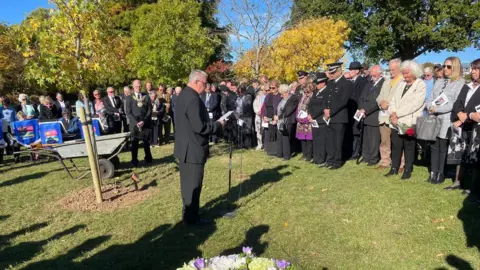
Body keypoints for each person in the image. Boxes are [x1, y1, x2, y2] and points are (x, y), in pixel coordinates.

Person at [174, 70, 224, 225]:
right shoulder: (193, 99)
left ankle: (189, 214)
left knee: (188, 184)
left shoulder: (183, 94)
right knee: (193, 185)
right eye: (204, 83)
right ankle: (191, 219)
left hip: (185, 147)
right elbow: (199, 127)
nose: (206, 86)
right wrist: (218, 125)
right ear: (196, 82)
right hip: (193, 149)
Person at [385, 60, 426, 179]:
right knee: (396, 145)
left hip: (409, 121)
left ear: (414, 72)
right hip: (395, 121)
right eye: (403, 73)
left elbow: (415, 104)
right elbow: (393, 100)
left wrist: (396, 113)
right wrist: (392, 113)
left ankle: (407, 169)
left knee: (409, 146)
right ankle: (394, 168)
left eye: (407, 73)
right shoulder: (401, 83)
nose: (405, 75)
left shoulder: (420, 84)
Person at [427, 57, 465, 184]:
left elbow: (454, 103)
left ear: (455, 68)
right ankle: (433, 171)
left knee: (442, 146)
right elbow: (430, 97)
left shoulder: (460, 83)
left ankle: (440, 173)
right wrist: (430, 107)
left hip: (446, 118)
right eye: (444, 66)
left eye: (449, 66)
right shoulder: (439, 81)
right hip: (433, 117)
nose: (445, 69)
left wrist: (437, 109)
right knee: (433, 146)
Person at [447, 59, 480, 193]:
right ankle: (458, 181)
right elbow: (458, 103)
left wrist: (464, 117)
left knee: (474, 156)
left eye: (477, 69)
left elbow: (475, 110)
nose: (473, 71)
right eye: (472, 69)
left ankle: (471, 186)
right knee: (460, 154)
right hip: (464, 127)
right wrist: (459, 113)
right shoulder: (467, 86)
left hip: (476, 128)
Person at [376, 58, 405, 170]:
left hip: (395, 115)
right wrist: (381, 102)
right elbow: (379, 96)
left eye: (393, 69)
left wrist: (389, 105)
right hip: (383, 116)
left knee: (398, 142)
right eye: (389, 70)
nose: (391, 72)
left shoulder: (403, 81)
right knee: (384, 141)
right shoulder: (386, 81)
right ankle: (385, 161)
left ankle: (402, 163)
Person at [324, 62, 353, 169]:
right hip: (329, 116)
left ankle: (337, 162)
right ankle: (330, 160)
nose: (331, 74)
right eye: (330, 72)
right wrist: (325, 109)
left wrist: (330, 112)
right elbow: (326, 98)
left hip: (339, 117)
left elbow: (343, 101)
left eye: (333, 72)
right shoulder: (330, 83)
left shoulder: (346, 83)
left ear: (340, 71)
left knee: (337, 141)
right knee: (330, 140)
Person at [358, 65, 385, 166]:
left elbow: (378, 102)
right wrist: (361, 109)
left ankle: (373, 158)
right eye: (371, 74)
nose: (372, 76)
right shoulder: (369, 83)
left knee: (374, 139)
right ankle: (366, 156)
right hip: (364, 114)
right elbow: (361, 97)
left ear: (380, 74)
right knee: (366, 138)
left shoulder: (383, 84)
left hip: (374, 114)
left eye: (374, 74)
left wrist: (366, 110)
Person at [126, 79, 153, 167]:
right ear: (133, 87)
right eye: (136, 86)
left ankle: (148, 159)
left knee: (146, 143)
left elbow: (149, 110)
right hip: (134, 124)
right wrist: (137, 123)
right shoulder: (129, 98)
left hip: (145, 123)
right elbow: (128, 112)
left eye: (140, 86)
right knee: (134, 143)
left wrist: (144, 121)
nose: (138, 87)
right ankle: (134, 161)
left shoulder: (146, 96)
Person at [346, 61, 368, 160]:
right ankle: (350, 151)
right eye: (349, 69)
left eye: (352, 70)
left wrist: (360, 109)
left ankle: (356, 152)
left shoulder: (363, 81)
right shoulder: (349, 81)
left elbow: (362, 96)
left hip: (357, 109)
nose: (350, 71)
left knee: (356, 132)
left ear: (357, 71)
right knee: (350, 131)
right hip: (349, 110)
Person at [308, 72, 329, 166]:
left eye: (318, 83)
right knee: (315, 139)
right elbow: (310, 104)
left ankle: (321, 158)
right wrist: (309, 114)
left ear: (323, 83)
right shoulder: (316, 92)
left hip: (320, 119)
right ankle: (316, 157)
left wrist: (313, 115)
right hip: (313, 120)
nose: (316, 85)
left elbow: (323, 107)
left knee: (321, 140)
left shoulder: (327, 92)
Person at [276, 84, 299, 160]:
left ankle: (286, 156)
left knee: (285, 138)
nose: (281, 96)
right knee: (280, 137)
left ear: (287, 92)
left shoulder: (293, 98)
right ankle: (279, 153)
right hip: (280, 120)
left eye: (282, 94)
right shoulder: (283, 99)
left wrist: (279, 117)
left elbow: (288, 111)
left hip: (288, 120)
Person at [261, 79, 282, 156]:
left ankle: (277, 151)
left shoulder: (280, 96)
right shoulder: (268, 96)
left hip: (276, 117)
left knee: (276, 134)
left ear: (277, 87)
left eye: (273, 88)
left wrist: (277, 118)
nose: (271, 89)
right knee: (270, 134)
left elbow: (280, 108)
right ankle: (271, 151)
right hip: (268, 117)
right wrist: (264, 116)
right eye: (270, 88)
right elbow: (264, 107)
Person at [296, 82, 314, 162]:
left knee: (309, 140)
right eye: (305, 92)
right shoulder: (302, 98)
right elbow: (298, 108)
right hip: (300, 122)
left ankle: (309, 156)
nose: (306, 94)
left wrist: (306, 119)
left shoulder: (312, 98)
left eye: (308, 92)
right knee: (302, 139)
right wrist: (298, 117)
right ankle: (304, 154)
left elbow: (313, 110)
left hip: (308, 122)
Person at [235, 84, 254, 148]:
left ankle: (247, 145)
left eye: (241, 91)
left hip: (247, 116)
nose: (240, 92)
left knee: (247, 131)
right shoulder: (239, 97)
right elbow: (237, 105)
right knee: (240, 130)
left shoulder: (248, 96)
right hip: (239, 116)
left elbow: (247, 106)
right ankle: (240, 144)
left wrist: (242, 113)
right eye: (239, 91)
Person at [253, 83, 267, 150]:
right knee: (259, 131)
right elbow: (254, 105)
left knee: (265, 130)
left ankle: (265, 144)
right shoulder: (258, 96)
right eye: (262, 90)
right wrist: (257, 111)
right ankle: (259, 144)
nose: (263, 91)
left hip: (265, 116)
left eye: (264, 89)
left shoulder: (268, 96)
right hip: (258, 116)